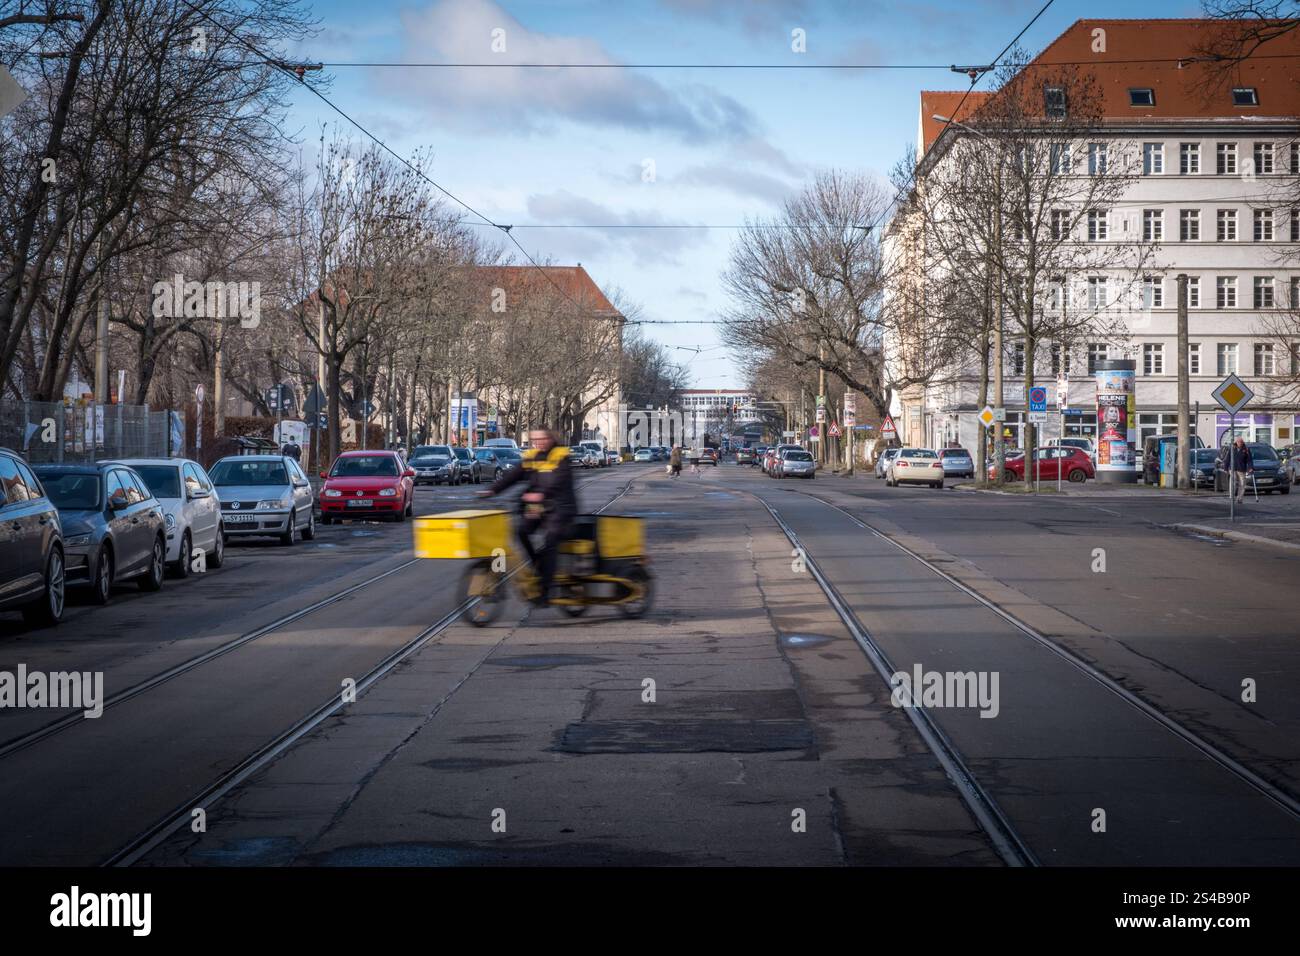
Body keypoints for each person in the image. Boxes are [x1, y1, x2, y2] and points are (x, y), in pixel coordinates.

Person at [478, 428, 576, 606]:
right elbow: (513, 476)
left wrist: (542, 494)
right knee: (521, 530)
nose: (538, 442)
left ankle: (546, 591)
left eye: (542, 438)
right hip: (539, 507)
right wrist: (493, 489)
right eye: (534, 439)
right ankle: (537, 562)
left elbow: (559, 481)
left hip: (561, 508)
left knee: (551, 539)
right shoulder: (532, 457)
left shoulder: (561, 457)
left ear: (551, 438)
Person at [1229, 436, 1253, 503]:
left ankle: (1239, 498)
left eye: (1241, 442)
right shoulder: (1232, 448)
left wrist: (1250, 467)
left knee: (1242, 484)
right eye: (1239, 442)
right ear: (1236, 442)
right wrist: (1226, 467)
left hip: (1241, 469)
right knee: (1232, 483)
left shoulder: (1246, 449)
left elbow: (1249, 460)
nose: (1240, 443)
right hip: (1233, 468)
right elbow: (1228, 458)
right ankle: (1232, 497)